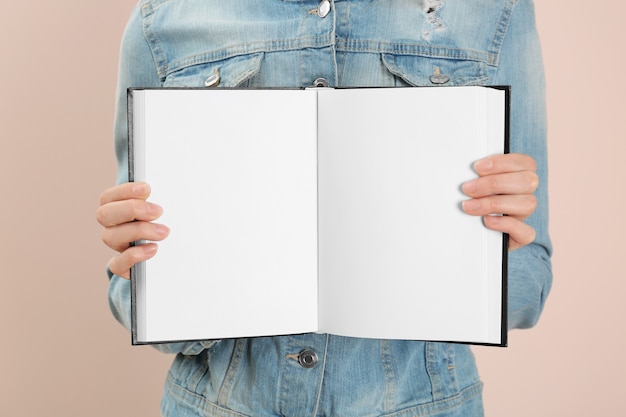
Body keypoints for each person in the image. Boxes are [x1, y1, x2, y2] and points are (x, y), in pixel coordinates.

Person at [97, 1, 552, 416]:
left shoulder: (492, 11)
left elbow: (527, 290)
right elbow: (131, 296)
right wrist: (149, 276)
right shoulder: (163, 18)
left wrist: (487, 255)